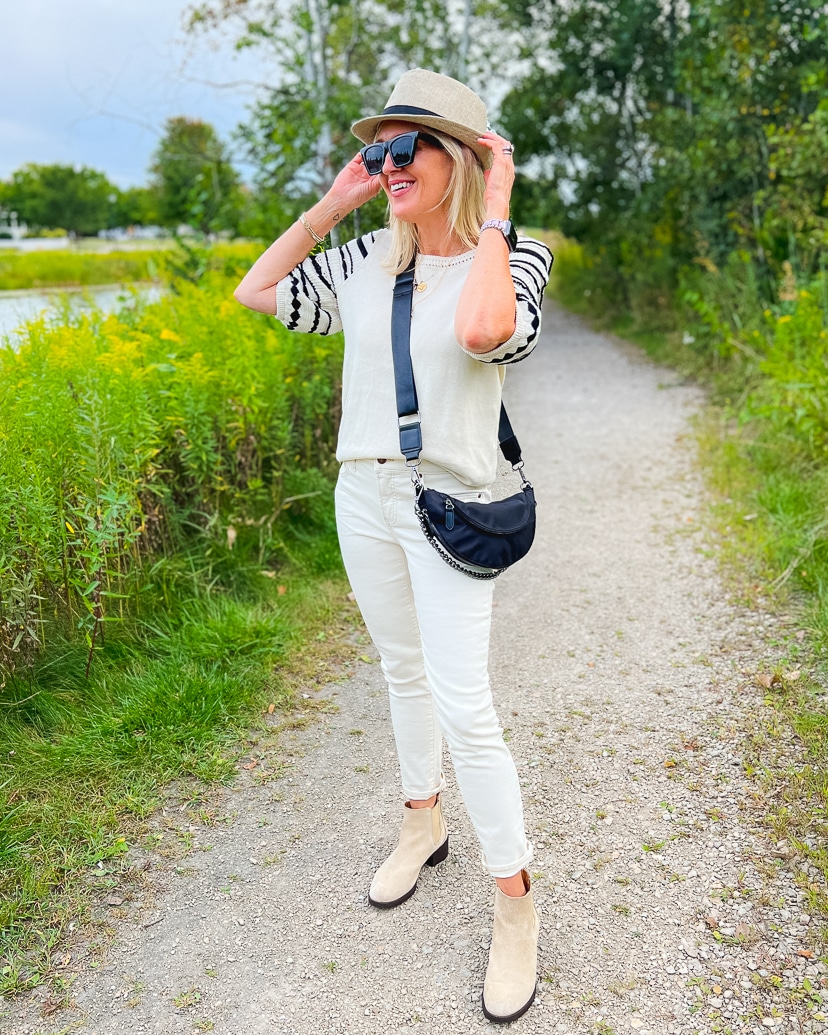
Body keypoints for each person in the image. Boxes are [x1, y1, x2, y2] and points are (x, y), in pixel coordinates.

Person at [234, 68, 552, 1023]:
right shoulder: (366, 261)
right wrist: (337, 201)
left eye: (406, 148)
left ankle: (516, 900)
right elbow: (257, 289)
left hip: (451, 499)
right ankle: (423, 821)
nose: (389, 164)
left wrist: (494, 210)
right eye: (380, 149)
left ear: (456, 158)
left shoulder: (516, 255)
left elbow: (491, 329)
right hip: (360, 493)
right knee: (400, 671)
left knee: (466, 700)